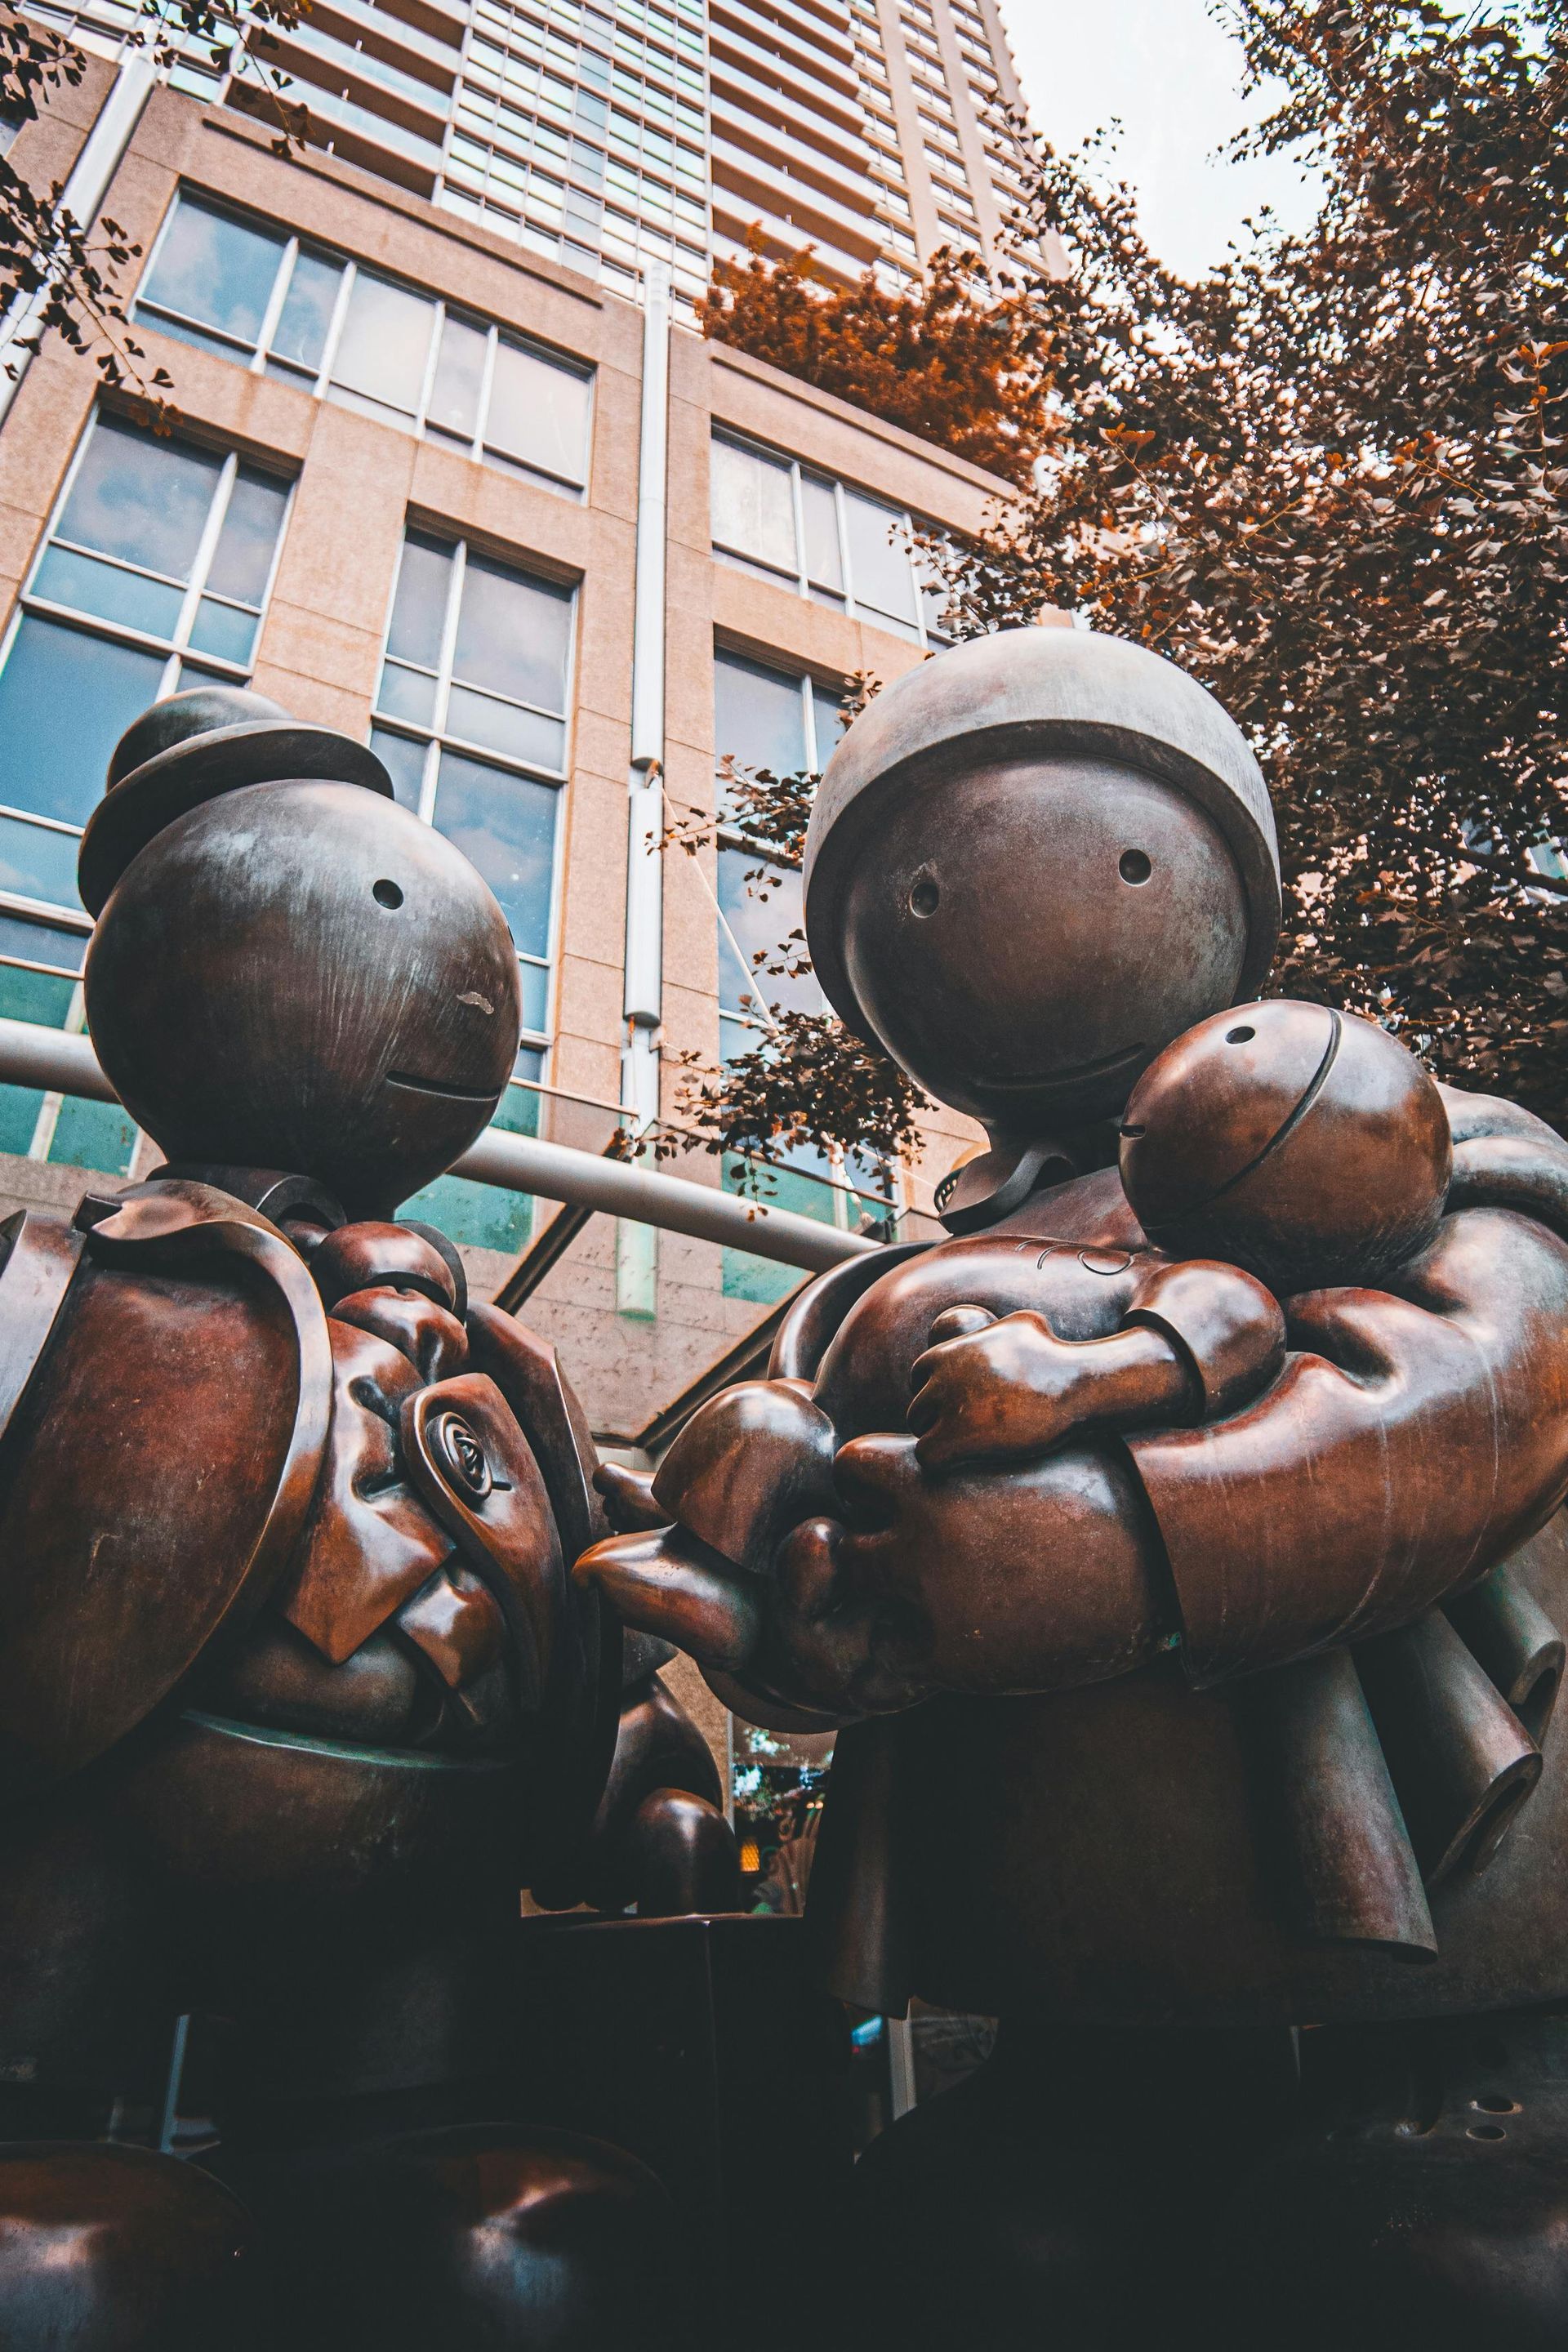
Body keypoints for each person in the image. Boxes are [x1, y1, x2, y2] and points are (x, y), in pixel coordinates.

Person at [578, 626, 1568, 2350]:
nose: (995, 894)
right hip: (1070, 1991)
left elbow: (1476, 1394)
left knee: (1432, 2272)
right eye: (924, 877)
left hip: (1448, 1990)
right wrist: (800, 1634)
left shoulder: (1393, 1132)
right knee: (988, 2259)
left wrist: (1110, 1547)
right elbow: (804, 1538)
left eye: (1106, 840)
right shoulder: (888, 1290)